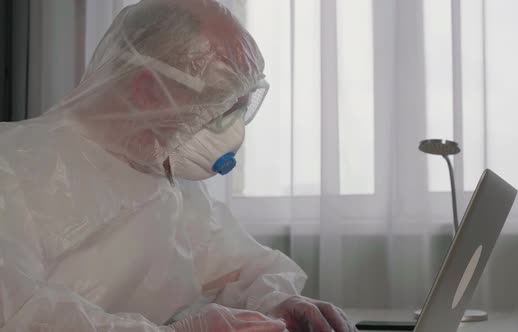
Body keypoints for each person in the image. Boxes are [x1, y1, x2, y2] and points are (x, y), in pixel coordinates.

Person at [0, 0, 357, 331]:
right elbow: (17, 312)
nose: (230, 128)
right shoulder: (13, 165)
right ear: (148, 90)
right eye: (218, 108)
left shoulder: (168, 183)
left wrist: (276, 300)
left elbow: (235, 267)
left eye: (238, 109)